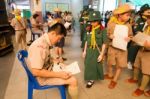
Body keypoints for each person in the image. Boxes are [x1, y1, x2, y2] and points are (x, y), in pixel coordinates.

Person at [27, 23, 78, 99]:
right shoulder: (39, 46)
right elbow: (36, 72)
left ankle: (67, 86)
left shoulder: (45, 41)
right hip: (40, 77)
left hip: (47, 68)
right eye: (59, 38)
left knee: (66, 69)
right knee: (73, 80)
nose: (59, 41)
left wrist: (56, 60)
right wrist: (59, 75)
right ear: (53, 33)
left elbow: (45, 58)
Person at [105, 3, 133, 89]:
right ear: (120, 15)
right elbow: (107, 34)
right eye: (127, 15)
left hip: (122, 49)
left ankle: (114, 80)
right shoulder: (111, 23)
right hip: (112, 48)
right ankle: (110, 75)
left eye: (129, 15)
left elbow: (131, 36)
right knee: (110, 62)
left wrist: (129, 38)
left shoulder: (128, 26)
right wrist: (110, 36)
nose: (129, 17)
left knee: (119, 65)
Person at [82, 11, 108, 88]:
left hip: (96, 51)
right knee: (87, 64)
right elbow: (86, 40)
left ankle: (92, 79)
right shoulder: (89, 29)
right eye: (91, 21)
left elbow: (104, 43)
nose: (93, 23)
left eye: (95, 21)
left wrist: (101, 54)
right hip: (89, 50)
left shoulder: (103, 30)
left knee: (94, 65)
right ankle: (89, 76)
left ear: (99, 20)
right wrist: (84, 51)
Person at [130, 9, 150, 97]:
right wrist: (135, 39)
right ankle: (134, 79)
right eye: (148, 18)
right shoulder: (146, 27)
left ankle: (141, 89)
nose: (147, 20)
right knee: (136, 65)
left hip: (148, 52)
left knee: (146, 71)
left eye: (149, 18)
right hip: (141, 48)